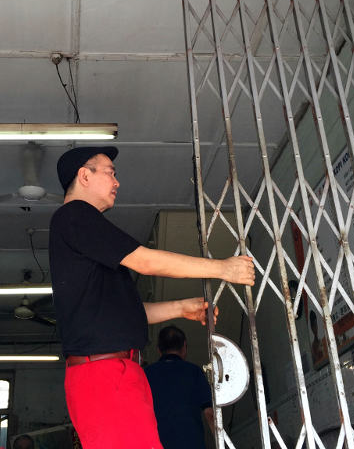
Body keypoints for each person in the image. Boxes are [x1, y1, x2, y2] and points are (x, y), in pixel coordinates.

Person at [49, 146, 255, 449]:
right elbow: (146, 261)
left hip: (113, 373)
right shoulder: (74, 215)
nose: (117, 181)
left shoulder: (83, 234)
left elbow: (123, 312)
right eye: (110, 172)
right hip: (105, 376)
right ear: (84, 175)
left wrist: (180, 308)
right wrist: (222, 268)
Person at [144, 325, 215, 448]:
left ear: (159, 350)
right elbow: (210, 414)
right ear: (184, 347)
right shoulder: (194, 372)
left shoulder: (146, 374)